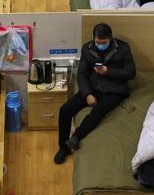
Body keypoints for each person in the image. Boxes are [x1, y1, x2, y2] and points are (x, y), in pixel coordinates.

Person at [54, 23, 136, 164]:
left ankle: (76, 137)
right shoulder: (87, 48)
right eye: (97, 42)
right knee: (65, 110)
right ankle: (63, 147)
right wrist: (87, 94)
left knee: (98, 112)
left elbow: (130, 72)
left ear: (110, 39)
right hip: (93, 87)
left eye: (103, 43)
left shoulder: (123, 48)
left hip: (114, 89)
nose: (100, 45)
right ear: (94, 39)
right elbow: (82, 74)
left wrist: (108, 71)